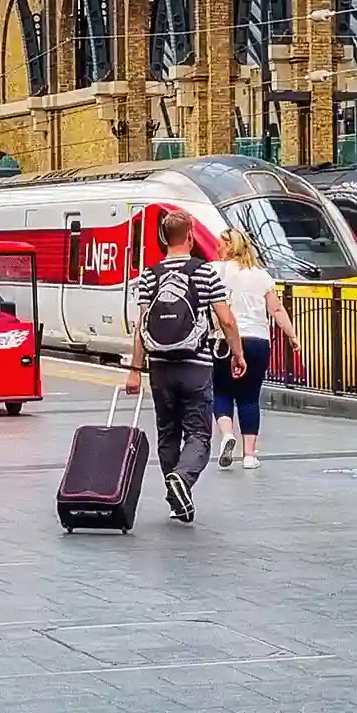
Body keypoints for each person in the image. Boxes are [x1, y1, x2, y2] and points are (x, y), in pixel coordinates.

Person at [125, 211, 245, 523]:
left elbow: (142, 326)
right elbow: (226, 319)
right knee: (199, 435)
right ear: (190, 236)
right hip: (196, 366)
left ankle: (178, 501)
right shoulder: (204, 272)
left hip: (160, 368)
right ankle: (183, 479)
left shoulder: (149, 275)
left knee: (168, 433)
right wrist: (237, 354)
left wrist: (135, 370)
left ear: (164, 239)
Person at [210, 229, 302, 471]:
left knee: (221, 392)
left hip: (225, 339)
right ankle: (250, 455)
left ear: (229, 246)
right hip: (258, 341)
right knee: (249, 397)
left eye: (220, 244)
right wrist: (292, 336)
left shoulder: (215, 271)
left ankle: (228, 434)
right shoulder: (262, 276)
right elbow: (277, 310)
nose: (217, 248)